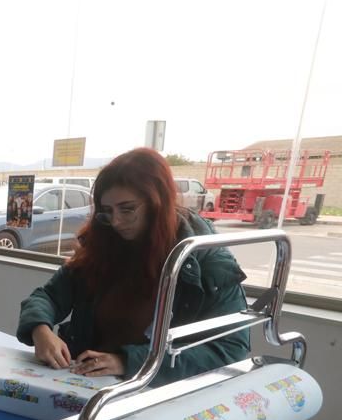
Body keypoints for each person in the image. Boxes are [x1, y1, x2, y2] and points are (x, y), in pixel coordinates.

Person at [17, 147, 249, 386]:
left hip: (153, 392)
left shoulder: (205, 259)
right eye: (107, 212)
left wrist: (128, 362)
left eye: (127, 209)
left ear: (157, 202)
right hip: (85, 382)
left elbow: (230, 351)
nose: (116, 221)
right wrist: (40, 329)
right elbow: (49, 296)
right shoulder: (104, 243)